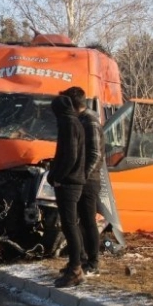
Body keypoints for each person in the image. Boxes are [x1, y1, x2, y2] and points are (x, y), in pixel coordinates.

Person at [60, 86, 105, 277]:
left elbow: (95, 153)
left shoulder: (90, 121)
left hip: (88, 180)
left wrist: (83, 175)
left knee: (88, 221)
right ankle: (80, 260)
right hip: (78, 179)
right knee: (75, 221)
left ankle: (93, 262)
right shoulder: (77, 120)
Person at [47, 95, 86, 288]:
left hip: (69, 183)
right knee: (72, 225)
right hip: (74, 181)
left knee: (69, 225)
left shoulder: (68, 125)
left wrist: (57, 176)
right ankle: (75, 263)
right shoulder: (75, 122)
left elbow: (69, 155)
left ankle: (75, 269)